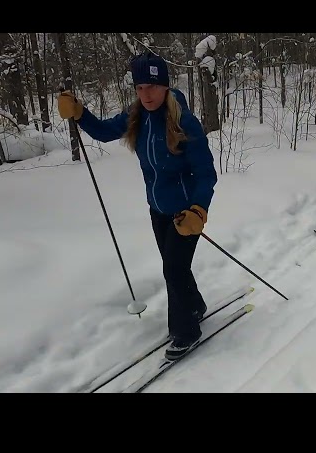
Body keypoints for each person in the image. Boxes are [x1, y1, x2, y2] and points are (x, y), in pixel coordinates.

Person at [57, 51, 217, 360]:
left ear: (165, 87)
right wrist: (80, 113)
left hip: (186, 214)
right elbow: (104, 132)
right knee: (176, 267)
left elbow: (206, 172)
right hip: (157, 210)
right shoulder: (136, 117)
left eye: (152, 87)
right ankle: (195, 306)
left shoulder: (184, 121)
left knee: (173, 268)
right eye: (140, 87)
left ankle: (186, 331)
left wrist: (199, 209)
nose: (146, 94)